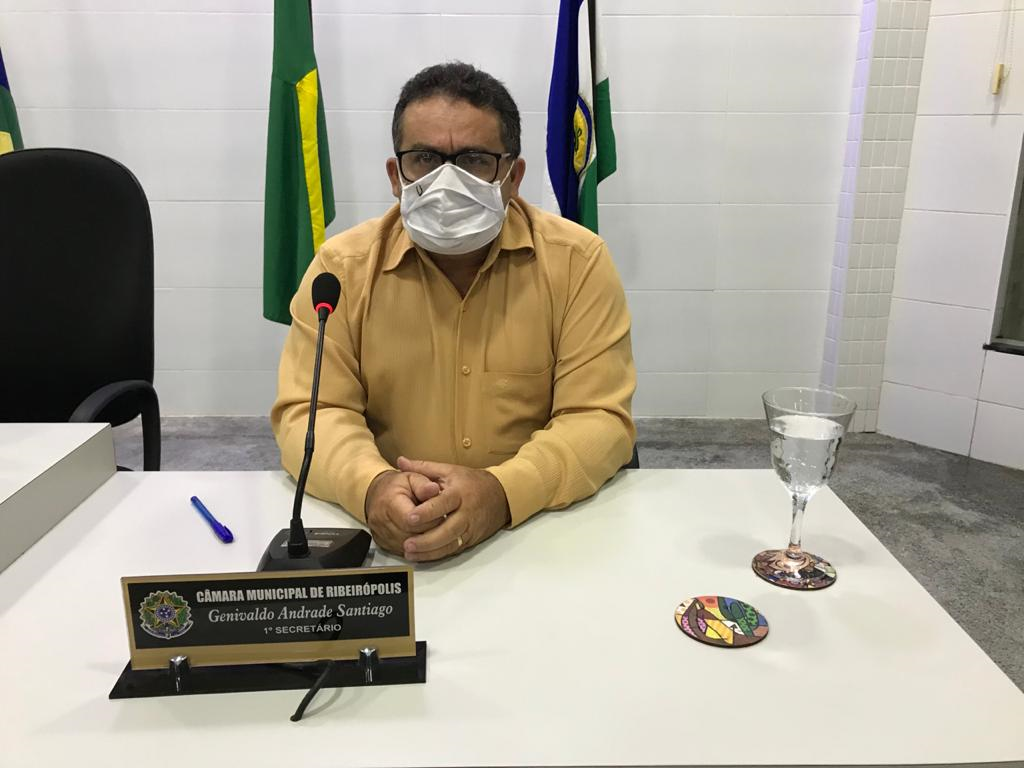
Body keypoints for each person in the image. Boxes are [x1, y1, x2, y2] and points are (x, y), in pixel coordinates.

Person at [271, 62, 635, 563]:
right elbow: (309, 414)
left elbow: (598, 418)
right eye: (424, 158)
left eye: (474, 160)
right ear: (396, 176)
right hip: (390, 537)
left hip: (533, 533)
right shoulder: (341, 270)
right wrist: (372, 486)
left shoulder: (577, 263)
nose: (447, 181)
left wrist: (502, 493)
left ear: (513, 177)